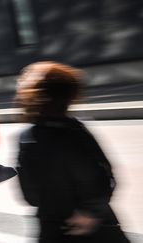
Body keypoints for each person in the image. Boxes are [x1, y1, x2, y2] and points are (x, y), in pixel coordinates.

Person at [15, 61, 130, 243]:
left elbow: (30, 195)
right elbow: (104, 176)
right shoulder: (75, 133)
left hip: (53, 229)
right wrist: (90, 213)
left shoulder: (27, 138)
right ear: (69, 96)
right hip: (95, 228)